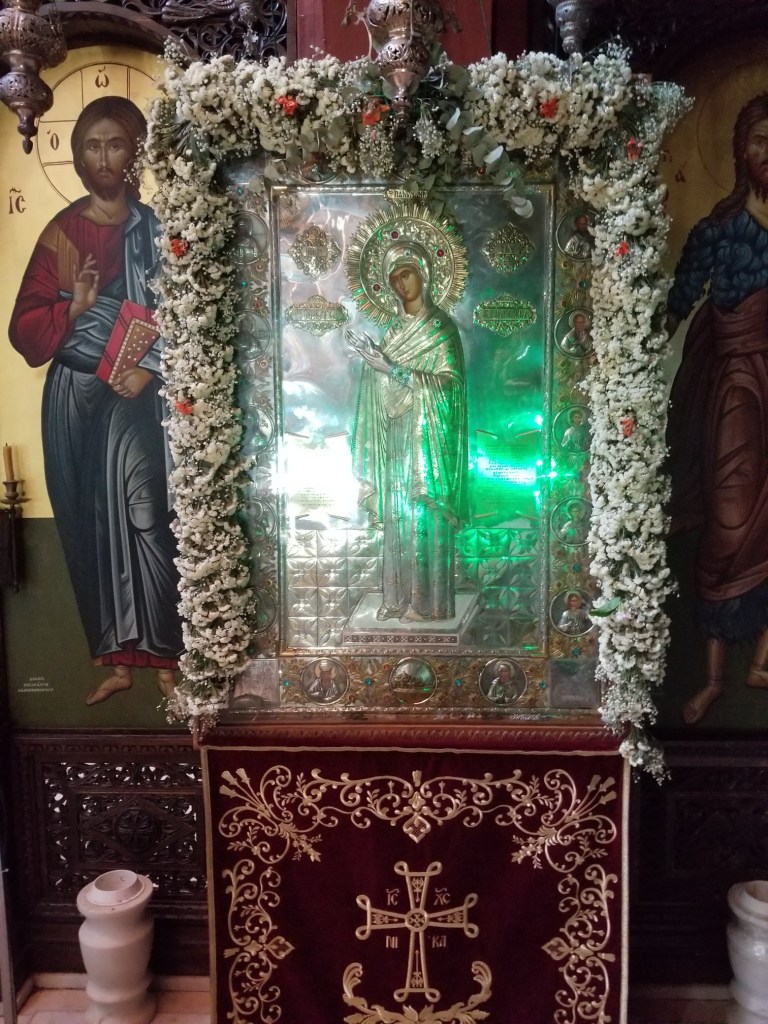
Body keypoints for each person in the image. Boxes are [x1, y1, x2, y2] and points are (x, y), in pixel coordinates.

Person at [9, 96, 182, 705]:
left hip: (136, 395)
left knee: (144, 511)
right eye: (91, 145)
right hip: (75, 398)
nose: (103, 157)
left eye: (115, 143)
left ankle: (165, 656)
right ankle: (115, 661)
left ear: (135, 152)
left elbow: (188, 313)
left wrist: (151, 371)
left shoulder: (156, 230)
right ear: (78, 158)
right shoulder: (63, 234)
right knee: (88, 523)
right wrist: (75, 308)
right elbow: (24, 329)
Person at [666, 92, 768, 724]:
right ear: (740, 150)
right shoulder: (719, 229)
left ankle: (759, 663)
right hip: (736, 385)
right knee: (730, 519)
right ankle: (709, 677)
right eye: (760, 140)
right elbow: (678, 301)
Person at [347, 241, 468, 622]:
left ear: (424, 275)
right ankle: (397, 598)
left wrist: (392, 368)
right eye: (394, 279)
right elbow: (381, 379)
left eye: (407, 274)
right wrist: (372, 362)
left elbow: (449, 387)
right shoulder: (393, 332)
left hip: (428, 439)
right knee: (398, 513)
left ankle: (427, 603)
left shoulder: (441, 328)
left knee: (423, 514)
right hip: (397, 436)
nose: (401, 284)